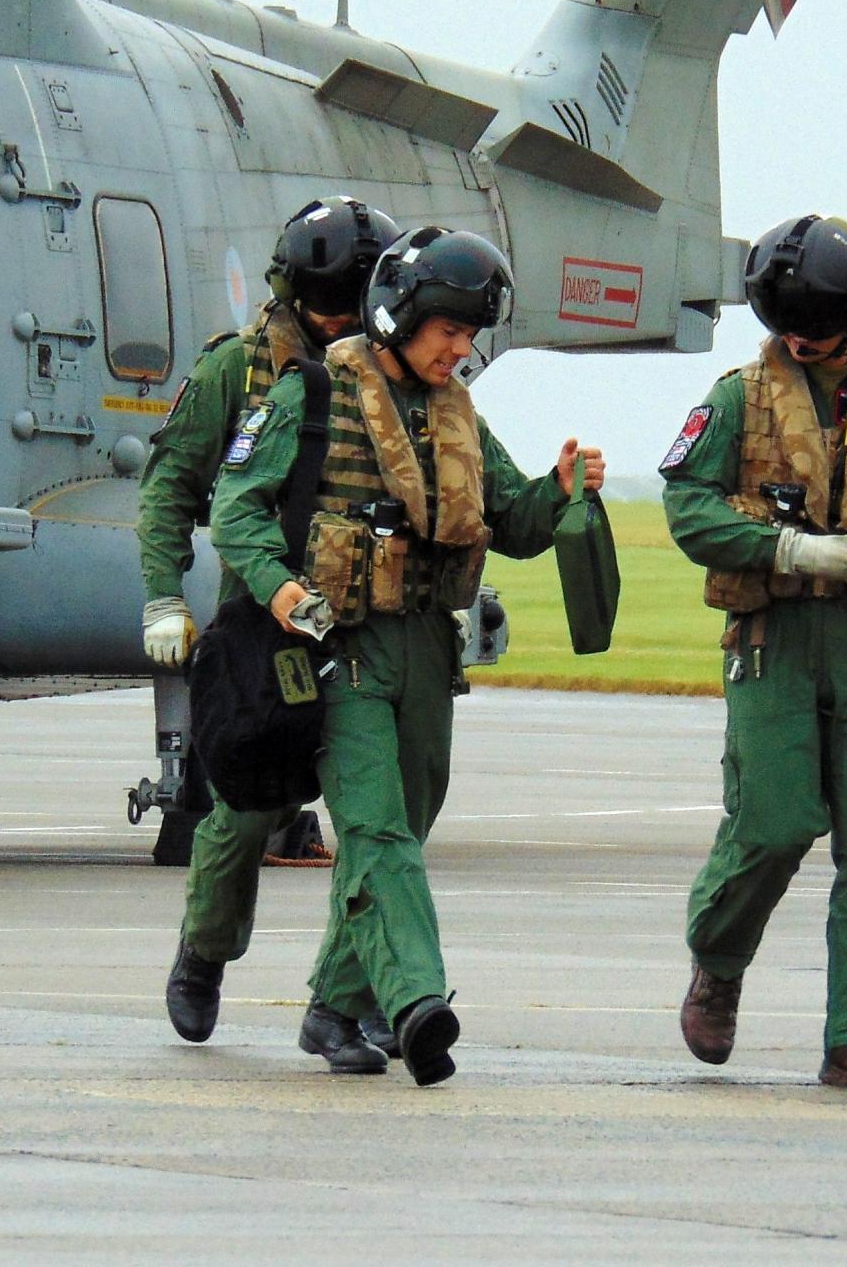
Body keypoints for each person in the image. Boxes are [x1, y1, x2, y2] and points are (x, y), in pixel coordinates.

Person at [210, 225, 603, 1085]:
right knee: (377, 827)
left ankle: (329, 1007)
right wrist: (280, 588)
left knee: (409, 821)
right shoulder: (311, 397)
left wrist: (562, 491)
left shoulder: (459, 413)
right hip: (340, 647)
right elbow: (236, 509)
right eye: (449, 332)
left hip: (429, 649)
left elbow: (517, 520)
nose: (460, 350)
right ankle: (417, 1002)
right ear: (402, 314)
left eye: (470, 336)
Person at [661, 215, 847, 1091]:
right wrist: (788, 550)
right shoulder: (735, 400)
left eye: (818, 324)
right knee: (774, 824)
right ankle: (718, 959)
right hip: (772, 638)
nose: (800, 338)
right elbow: (687, 507)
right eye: (787, 322)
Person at [142, 197, 401, 1051]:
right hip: (265, 626)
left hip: (370, 629)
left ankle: (353, 995)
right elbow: (172, 489)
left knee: (382, 817)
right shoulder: (238, 371)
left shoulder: (403, 374)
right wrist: (163, 597)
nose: (340, 326)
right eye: (329, 309)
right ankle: (204, 952)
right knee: (250, 810)